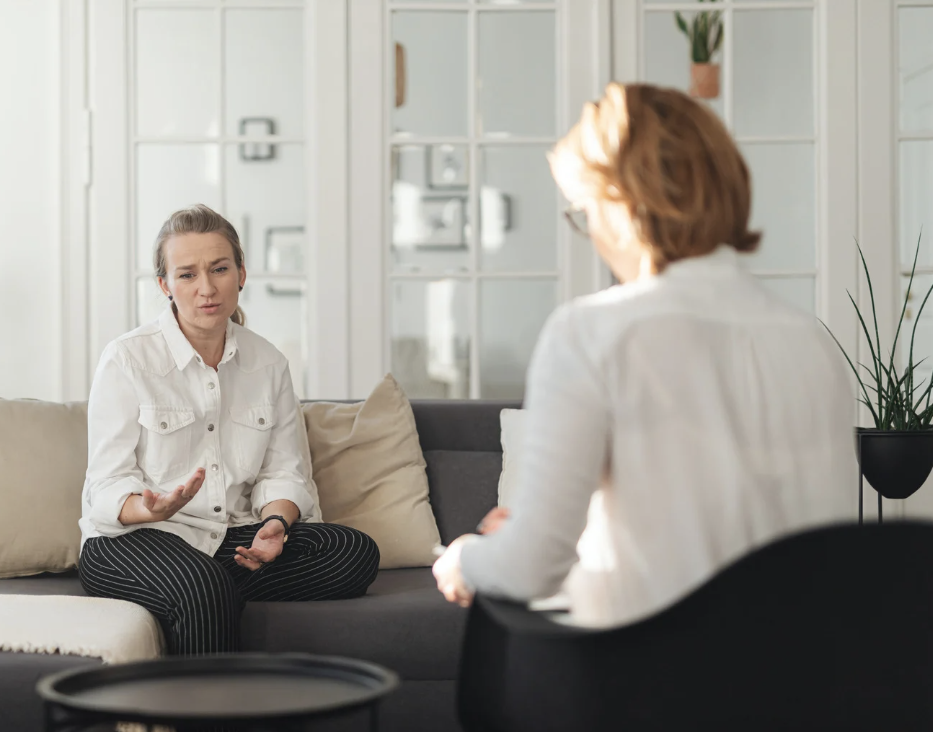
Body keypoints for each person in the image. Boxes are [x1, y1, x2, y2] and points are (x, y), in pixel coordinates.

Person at [433, 82, 853, 627]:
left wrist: (466, 558)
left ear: (622, 206)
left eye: (585, 211)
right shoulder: (814, 342)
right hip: (811, 692)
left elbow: (530, 568)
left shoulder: (591, 332)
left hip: (653, 685)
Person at [78, 204, 379, 654]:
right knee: (203, 587)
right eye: (186, 275)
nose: (206, 289)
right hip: (135, 538)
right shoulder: (127, 359)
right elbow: (105, 485)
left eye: (219, 269)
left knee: (353, 552)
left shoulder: (269, 362)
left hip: (230, 539)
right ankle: (201, 609)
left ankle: (197, 599)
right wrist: (151, 509)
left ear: (241, 273)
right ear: (165, 285)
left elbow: (285, 472)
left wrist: (275, 523)